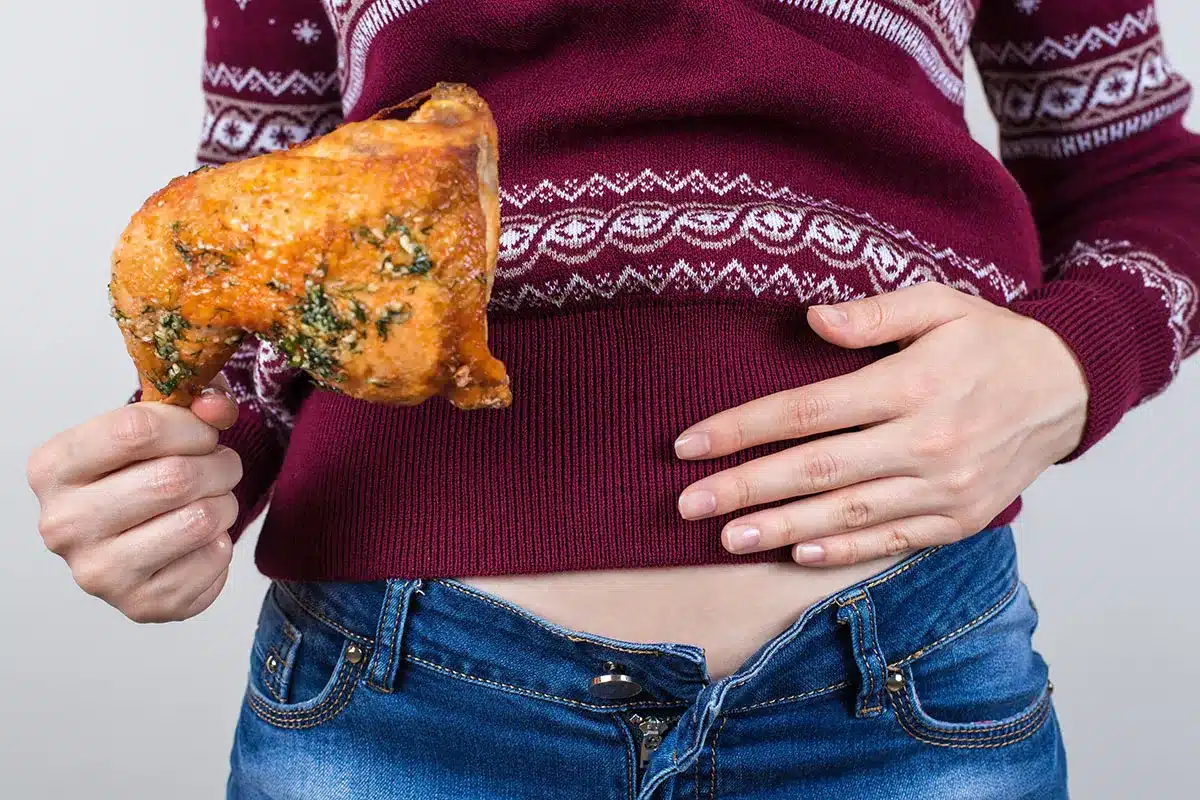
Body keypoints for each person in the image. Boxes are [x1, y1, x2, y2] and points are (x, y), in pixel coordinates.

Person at [27, 1, 1199, 797]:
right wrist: (184, 474)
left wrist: (1073, 364)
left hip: (901, 691)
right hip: (405, 702)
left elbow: (1146, 171)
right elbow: (256, 222)